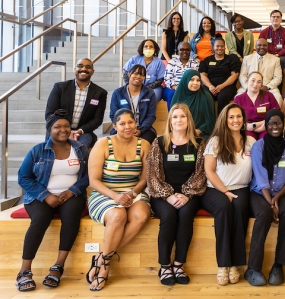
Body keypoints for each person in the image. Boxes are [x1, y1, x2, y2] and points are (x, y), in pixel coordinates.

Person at [15, 110, 89, 292]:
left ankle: (58, 266)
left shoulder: (80, 148)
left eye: (66, 126)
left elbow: (89, 176)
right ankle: (24, 271)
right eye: (57, 127)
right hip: (39, 196)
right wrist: (45, 195)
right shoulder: (37, 150)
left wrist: (72, 191)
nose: (63, 130)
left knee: (72, 216)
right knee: (40, 219)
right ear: (50, 129)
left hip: (71, 196)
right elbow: (23, 178)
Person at [86, 108, 151, 291]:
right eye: (122, 123)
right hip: (105, 193)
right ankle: (104, 268)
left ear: (135, 124)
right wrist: (115, 196)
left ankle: (101, 257)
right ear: (114, 126)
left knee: (141, 216)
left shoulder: (144, 144)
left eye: (130, 122)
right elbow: (94, 180)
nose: (127, 127)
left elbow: (144, 179)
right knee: (117, 216)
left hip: (133, 192)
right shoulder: (102, 144)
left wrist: (131, 194)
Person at [146, 103, 207, 286]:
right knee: (168, 215)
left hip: (190, 193)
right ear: (170, 121)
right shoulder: (159, 142)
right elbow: (152, 174)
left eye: (182, 116)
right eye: (175, 117)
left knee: (186, 215)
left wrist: (187, 194)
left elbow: (201, 173)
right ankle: (165, 265)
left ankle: (179, 264)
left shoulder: (198, 143)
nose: (179, 120)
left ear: (188, 120)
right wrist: (168, 195)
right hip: (163, 193)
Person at [204, 104, 256, 285]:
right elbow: (209, 171)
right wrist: (224, 191)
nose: (236, 120)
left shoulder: (250, 141)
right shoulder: (216, 141)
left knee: (240, 207)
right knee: (225, 208)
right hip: (215, 188)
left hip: (241, 187)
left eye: (239, 117)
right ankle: (223, 264)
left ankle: (235, 263)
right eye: (231, 117)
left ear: (243, 120)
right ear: (225, 121)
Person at [245, 109, 285, 286]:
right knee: (264, 214)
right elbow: (260, 179)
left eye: (278, 123)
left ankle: (278, 265)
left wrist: (276, 200)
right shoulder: (258, 147)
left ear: (283, 125)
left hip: (281, 192)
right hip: (260, 193)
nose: (275, 127)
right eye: (271, 123)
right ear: (266, 126)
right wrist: (270, 203)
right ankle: (253, 268)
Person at [45, 58, 108, 148]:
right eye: (80, 66)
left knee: (82, 148)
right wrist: (64, 128)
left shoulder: (100, 93)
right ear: (75, 69)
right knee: (53, 148)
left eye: (88, 67)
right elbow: (50, 113)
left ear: (92, 72)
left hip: (83, 131)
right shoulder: (60, 88)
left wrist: (81, 130)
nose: (84, 69)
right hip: (59, 128)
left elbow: (97, 119)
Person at [109, 65, 158, 144]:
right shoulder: (118, 93)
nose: (138, 76)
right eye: (135, 73)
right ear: (129, 74)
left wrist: (140, 130)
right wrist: (125, 128)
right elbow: (113, 115)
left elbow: (151, 116)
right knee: (114, 143)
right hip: (122, 128)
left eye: (142, 75)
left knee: (145, 143)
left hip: (144, 129)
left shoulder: (150, 93)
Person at [233, 72, 281, 140]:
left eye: (259, 82)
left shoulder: (268, 96)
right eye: (253, 80)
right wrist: (247, 126)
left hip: (266, 126)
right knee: (248, 142)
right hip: (247, 128)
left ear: (261, 84)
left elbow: (276, 114)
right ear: (247, 81)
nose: (255, 84)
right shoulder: (238, 99)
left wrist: (262, 124)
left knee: (265, 141)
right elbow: (235, 118)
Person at [199, 35, 241, 113]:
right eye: (217, 46)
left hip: (227, 86)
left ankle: (221, 122)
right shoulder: (207, 60)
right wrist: (210, 86)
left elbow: (234, 75)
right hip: (209, 86)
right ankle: (210, 122)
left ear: (225, 47)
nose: (220, 48)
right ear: (213, 47)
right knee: (206, 96)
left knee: (222, 96)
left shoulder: (231, 59)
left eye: (222, 46)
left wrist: (222, 86)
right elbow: (202, 75)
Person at [171, 70, 216, 140]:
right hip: (180, 133)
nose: (195, 83)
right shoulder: (178, 97)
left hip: (200, 135)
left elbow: (210, 121)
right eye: (192, 80)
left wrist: (200, 130)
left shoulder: (206, 96)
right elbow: (172, 119)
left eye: (198, 80)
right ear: (185, 80)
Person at [239, 38, 283, 104]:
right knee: (238, 97)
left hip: (268, 88)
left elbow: (278, 77)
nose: (262, 47)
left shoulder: (275, 60)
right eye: (259, 45)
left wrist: (267, 87)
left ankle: (272, 115)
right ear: (255, 47)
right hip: (249, 87)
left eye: (264, 45)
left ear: (268, 47)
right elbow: (242, 75)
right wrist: (248, 86)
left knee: (278, 98)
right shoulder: (247, 58)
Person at [162, 41, 200, 110]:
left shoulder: (195, 63)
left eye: (187, 50)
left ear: (190, 51)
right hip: (172, 88)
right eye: (182, 49)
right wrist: (176, 87)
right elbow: (167, 78)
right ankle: (172, 116)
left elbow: (196, 78)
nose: (184, 52)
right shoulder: (172, 62)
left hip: (189, 88)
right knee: (172, 94)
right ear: (178, 51)